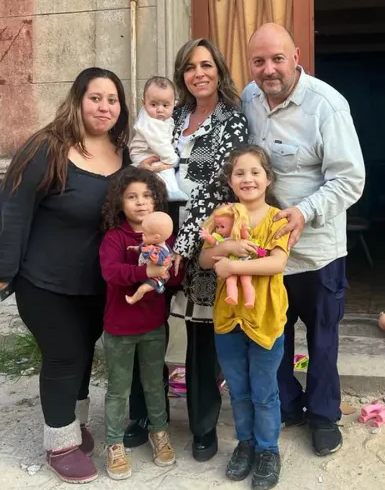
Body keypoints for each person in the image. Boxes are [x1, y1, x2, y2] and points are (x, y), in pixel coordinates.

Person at [0, 67, 131, 483]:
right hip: (44, 281)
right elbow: (13, 206)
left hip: (97, 283)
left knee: (84, 353)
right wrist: (5, 267)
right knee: (65, 354)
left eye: (113, 100)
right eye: (95, 98)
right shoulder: (47, 147)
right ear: (78, 99)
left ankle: (74, 423)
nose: (104, 107)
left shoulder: (125, 153)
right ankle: (59, 443)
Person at [241, 23, 365, 457]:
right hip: (268, 253)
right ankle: (288, 405)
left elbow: (350, 179)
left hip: (317, 252)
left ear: (296, 56)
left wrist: (305, 212)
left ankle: (324, 416)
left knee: (322, 339)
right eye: (259, 61)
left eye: (277, 58)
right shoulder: (248, 99)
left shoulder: (326, 105)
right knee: (272, 333)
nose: (268, 69)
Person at [126, 38, 249, 461]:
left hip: (204, 237)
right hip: (155, 230)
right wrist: (141, 169)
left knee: (200, 335)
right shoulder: (168, 114)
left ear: (219, 70)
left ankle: (202, 427)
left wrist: (185, 242)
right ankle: (145, 416)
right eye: (190, 67)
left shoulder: (232, 121)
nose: (199, 73)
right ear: (181, 75)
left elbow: (219, 187)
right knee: (148, 323)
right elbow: (140, 155)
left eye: (206, 65)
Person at [201, 145, 290, 489]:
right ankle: (246, 444)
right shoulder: (223, 214)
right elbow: (207, 259)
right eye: (240, 173)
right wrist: (225, 249)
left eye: (255, 172)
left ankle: (268, 450)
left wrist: (235, 266)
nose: (248, 178)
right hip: (229, 318)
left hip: (266, 318)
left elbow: (276, 263)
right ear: (230, 180)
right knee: (238, 389)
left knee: (264, 391)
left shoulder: (278, 219)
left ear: (268, 178)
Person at [98, 167, 183, 479]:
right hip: (119, 327)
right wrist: (145, 272)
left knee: (154, 384)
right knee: (118, 389)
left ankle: (159, 432)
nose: (140, 202)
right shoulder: (115, 238)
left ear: (157, 201)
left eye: (147, 196)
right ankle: (114, 443)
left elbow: (174, 277)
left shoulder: (167, 238)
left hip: (152, 325)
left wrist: (175, 267)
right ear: (120, 202)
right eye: (132, 196)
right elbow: (112, 273)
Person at [128, 76, 189, 201]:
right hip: (143, 154)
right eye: (154, 104)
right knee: (165, 168)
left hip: (153, 151)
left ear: (174, 104)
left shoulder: (165, 118)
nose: (160, 109)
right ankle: (171, 191)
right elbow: (160, 144)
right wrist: (174, 160)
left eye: (165, 105)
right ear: (144, 103)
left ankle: (170, 190)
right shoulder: (150, 123)